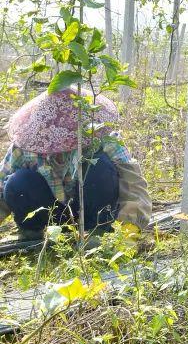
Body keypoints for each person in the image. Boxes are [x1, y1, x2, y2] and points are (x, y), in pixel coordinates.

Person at [0, 87, 151, 242]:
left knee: (100, 166)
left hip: (93, 211)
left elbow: (133, 184)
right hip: (51, 215)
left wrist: (130, 228)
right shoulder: (25, 145)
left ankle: (97, 232)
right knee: (17, 181)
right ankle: (32, 233)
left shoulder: (103, 138)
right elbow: (1, 185)